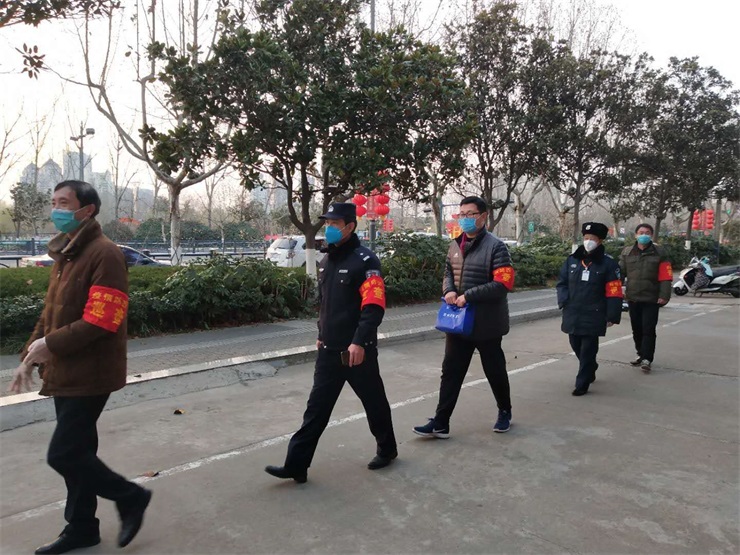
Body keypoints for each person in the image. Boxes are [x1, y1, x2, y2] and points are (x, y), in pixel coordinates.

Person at [9, 181, 152, 554]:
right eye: (53, 202)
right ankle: (82, 527)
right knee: (80, 451)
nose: (56, 209)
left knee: (64, 454)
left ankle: (131, 496)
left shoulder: (105, 254)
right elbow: (51, 315)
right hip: (65, 369)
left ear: (87, 210)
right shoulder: (67, 253)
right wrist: (30, 355)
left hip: (91, 372)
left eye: (64, 203)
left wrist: (50, 345)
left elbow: (103, 319)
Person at [265, 202, 397, 483]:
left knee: (374, 403)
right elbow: (326, 305)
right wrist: (320, 334)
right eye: (327, 223)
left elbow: (373, 307)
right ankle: (296, 465)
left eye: (334, 224)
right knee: (316, 409)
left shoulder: (366, 261)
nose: (329, 228)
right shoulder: (326, 260)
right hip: (329, 350)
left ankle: (387, 449)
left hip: (356, 351)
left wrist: (359, 341)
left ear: (350, 226)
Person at [413, 196, 515, 439]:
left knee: (494, 370)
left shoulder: (497, 247)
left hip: (487, 322)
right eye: (462, 214)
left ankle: (504, 411)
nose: (465, 219)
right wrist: (449, 290)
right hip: (458, 322)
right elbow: (448, 272)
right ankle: (441, 422)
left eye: (470, 214)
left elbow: (503, 284)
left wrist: (468, 296)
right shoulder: (455, 245)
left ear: (483, 216)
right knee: (451, 372)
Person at [556, 222, 623, 396]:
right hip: (573, 312)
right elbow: (562, 283)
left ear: (600, 240)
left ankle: (582, 383)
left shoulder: (609, 264)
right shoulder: (572, 260)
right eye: (586, 238)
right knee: (575, 344)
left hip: (595, 313)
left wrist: (612, 315)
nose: (588, 241)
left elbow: (614, 291)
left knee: (588, 349)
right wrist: (563, 301)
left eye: (592, 238)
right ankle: (591, 367)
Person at [619, 223, 672, 373]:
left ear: (651, 236)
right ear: (635, 235)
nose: (644, 235)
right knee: (636, 329)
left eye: (647, 233)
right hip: (633, 297)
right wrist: (616, 291)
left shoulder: (660, 252)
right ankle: (641, 354)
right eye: (641, 232)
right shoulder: (627, 252)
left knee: (648, 329)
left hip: (651, 298)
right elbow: (620, 273)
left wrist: (664, 295)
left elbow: (666, 275)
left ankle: (647, 358)